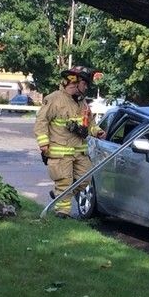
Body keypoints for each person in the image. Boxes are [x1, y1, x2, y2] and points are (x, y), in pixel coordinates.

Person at [34, 67, 105, 218]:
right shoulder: (54, 99)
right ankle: (62, 214)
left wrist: (97, 131)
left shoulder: (82, 103)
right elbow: (41, 121)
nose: (86, 88)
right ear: (75, 82)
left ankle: (59, 194)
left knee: (85, 179)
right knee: (64, 181)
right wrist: (43, 143)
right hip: (60, 151)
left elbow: (89, 123)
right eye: (84, 84)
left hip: (79, 151)